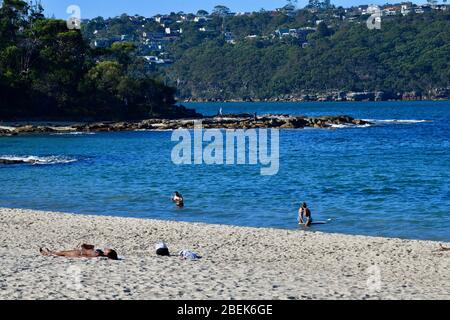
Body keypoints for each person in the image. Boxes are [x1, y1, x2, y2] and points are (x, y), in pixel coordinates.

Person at [39, 244, 118, 260]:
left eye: (108, 250)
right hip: (79, 253)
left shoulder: (98, 253)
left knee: (62, 253)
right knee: (62, 253)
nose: (107, 248)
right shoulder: (100, 253)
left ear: (107, 253)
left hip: (78, 253)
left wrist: (86, 247)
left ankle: (46, 253)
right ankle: (50, 252)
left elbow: (87, 253)